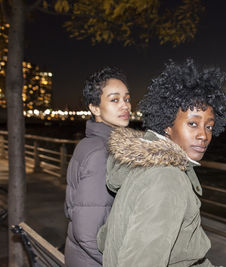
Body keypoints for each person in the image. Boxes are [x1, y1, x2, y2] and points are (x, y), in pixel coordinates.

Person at [97, 59, 226, 266]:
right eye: (193, 124)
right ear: (167, 125)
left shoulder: (144, 165)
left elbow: (104, 239)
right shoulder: (167, 178)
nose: (203, 135)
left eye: (209, 127)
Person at [64, 66, 131, 266]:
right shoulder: (102, 153)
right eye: (114, 100)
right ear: (94, 108)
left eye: (126, 99)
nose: (125, 106)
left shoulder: (90, 143)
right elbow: (87, 234)